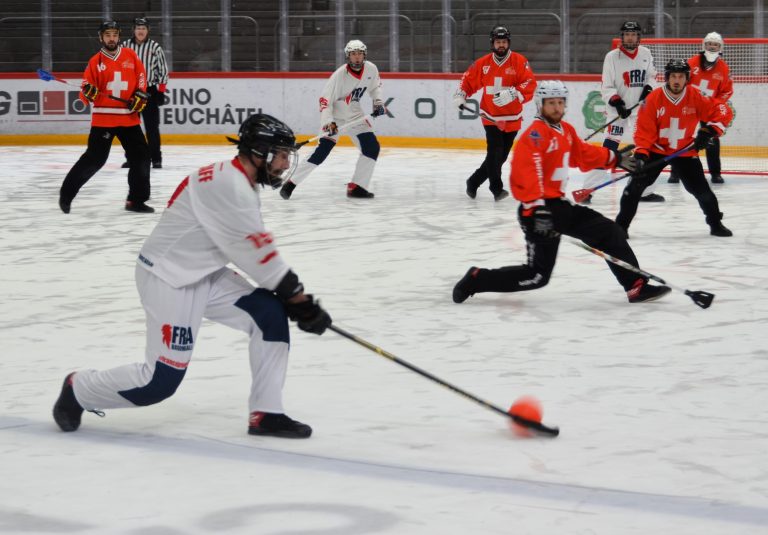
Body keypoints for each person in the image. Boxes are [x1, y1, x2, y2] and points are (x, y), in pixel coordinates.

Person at [53, 114, 333, 439]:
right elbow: (259, 256)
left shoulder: (233, 177)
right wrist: (301, 301)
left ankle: (266, 413)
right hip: (169, 279)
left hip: (203, 273)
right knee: (158, 383)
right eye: (282, 155)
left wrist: (293, 300)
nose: (285, 164)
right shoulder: (231, 187)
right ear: (260, 152)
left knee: (269, 314)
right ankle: (79, 388)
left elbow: (243, 246)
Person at [452, 80, 671, 305]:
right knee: (537, 276)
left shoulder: (565, 130)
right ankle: (477, 279)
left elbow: (583, 154)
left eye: (560, 102)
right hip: (536, 212)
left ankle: (635, 286)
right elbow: (527, 173)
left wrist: (615, 159)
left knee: (609, 232)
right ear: (540, 105)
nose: (557, 107)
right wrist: (538, 209)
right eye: (551, 103)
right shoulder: (535, 135)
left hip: (560, 207)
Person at [616, 59, 733, 238]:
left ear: (687, 78)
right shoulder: (653, 98)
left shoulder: (696, 95)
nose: (677, 81)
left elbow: (723, 110)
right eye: (673, 76)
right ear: (667, 78)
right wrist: (641, 155)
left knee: (702, 191)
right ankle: (620, 227)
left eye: (681, 76)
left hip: (684, 150)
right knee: (634, 187)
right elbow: (644, 130)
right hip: (656, 150)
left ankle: (715, 224)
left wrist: (709, 131)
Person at [59, 21, 153, 214]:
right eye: (107, 35)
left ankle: (135, 201)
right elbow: (86, 91)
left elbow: (141, 77)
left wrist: (140, 94)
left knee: (141, 158)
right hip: (104, 120)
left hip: (129, 118)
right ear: (101, 37)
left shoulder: (131, 56)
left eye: (114, 35)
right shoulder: (95, 62)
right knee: (94, 159)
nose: (112, 38)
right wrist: (88, 93)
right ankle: (66, 194)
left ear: (119, 36)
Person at [279, 39, 386, 199]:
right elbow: (325, 101)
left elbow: (375, 87)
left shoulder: (371, 69)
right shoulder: (339, 75)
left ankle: (357, 187)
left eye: (360, 53)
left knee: (371, 148)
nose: (357, 57)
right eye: (353, 54)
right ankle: (290, 183)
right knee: (322, 151)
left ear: (364, 55)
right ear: (348, 56)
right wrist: (328, 122)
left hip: (355, 115)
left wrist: (378, 102)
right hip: (335, 117)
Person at [453, 25, 536, 201]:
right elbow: (468, 80)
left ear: (508, 42)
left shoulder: (519, 61)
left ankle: (473, 181)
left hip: (512, 118)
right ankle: (496, 189)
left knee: (501, 157)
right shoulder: (483, 63)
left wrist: (514, 93)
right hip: (490, 116)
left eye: (504, 42)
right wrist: (461, 94)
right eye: (498, 42)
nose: (501, 45)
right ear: (492, 43)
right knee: (495, 152)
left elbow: (529, 82)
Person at [589, 21, 662, 204]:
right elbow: (606, 86)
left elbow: (652, 76)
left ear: (639, 37)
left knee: (646, 148)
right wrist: (617, 103)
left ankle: (644, 191)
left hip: (640, 112)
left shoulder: (645, 53)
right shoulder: (612, 57)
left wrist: (649, 88)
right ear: (622, 37)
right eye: (627, 34)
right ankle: (588, 188)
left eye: (634, 34)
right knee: (608, 149)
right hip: (617, 112)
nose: (630, 38)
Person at [668, 32, 733, 184]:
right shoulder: (692, 63)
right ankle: (675, 172)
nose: (712, 47)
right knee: (680, 137)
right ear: (704, 45)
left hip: (709, 108)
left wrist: (715, 103)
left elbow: (727, 91)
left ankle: (715, 173)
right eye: (709, 44)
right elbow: (682, 82)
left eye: (716, 44)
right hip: (688, 105)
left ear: (720, 47)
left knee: (711, 138)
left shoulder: (724, 68)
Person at [121, 17, 170, 169]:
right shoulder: (125, 46)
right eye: (138, 28)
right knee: (130, 129)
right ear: (133, 30)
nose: (140, 31)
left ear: (148, 30)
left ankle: (156, 159)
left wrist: (160, 92)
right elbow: (118, 67)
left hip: (149, 92)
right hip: (130, 92)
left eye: (143, 28)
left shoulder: (155, 47)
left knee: (152, 128)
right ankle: (132, 158)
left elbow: (163, 71)